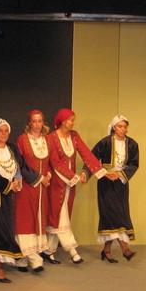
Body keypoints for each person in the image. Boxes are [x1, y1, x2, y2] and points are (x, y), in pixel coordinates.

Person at [0, 118, 41, 282]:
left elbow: (21, 166)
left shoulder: (12, 149)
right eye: (0, 130)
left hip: (7, 197)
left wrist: (28, 179)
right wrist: (7, 184)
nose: (4, 134)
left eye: (6, 131)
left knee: (4, 228)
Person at [45, 108, 106, 264]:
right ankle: (72, 250)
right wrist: (74, 177)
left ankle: (48, 250)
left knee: (59, 217)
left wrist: (97, 172)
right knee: (60, 215)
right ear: (63, 121)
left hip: (69, 185)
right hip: (56, 183)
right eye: (71, 120)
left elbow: (86, 154)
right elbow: (55, 162)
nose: (74, 123)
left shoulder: (74, 136)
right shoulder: (51, 138)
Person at [85, 115, 138, 263]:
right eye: (120, 126)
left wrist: (120, 174)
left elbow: (134, 164)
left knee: (119, 213)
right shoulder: (105, 143)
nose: (123, 129)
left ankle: (106, 250)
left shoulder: (132, 144)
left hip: (121, 182)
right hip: (106, 183)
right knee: (111, 214)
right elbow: (91, 159)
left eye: (125, 126)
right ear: (114, 127)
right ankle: (124, 249)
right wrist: (102, 173)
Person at [15, 110, 52, 272]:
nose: (37, 124)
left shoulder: (47, 140)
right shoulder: (22, 140)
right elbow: (19, 163)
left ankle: (24, 259)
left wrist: (48, 175)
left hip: (42, 189)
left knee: (37, 221)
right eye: (34, 121)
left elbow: (50, 162)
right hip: (27, 186)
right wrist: (38, 178)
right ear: (29, 123)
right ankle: (31, 259)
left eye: (40, 121)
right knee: (25, 222)